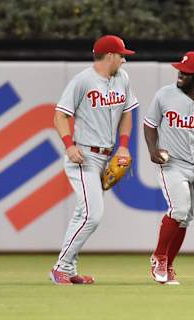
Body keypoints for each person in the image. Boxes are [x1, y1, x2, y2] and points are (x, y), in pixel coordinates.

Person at [50, 35, 138, 285]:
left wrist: (123, 147)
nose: (124, 60)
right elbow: (59, 116)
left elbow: (128, 113)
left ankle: (68, 268)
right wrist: (69, 146)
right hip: (83, 156)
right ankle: (60, 268)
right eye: (121, 55)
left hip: (106, 154)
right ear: (109, 56)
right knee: (92, 214)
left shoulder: (123, 78)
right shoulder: (83, 81)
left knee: (82, 214)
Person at [144, 52, 194, 285]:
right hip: (171, 163)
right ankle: (159, 256)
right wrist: (152, 150)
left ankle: (168, 265)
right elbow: (150, 125)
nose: (179, 73)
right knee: (178, 210)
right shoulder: (165, 95)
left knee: (186, 218)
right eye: (179, 69)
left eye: (185, 72)